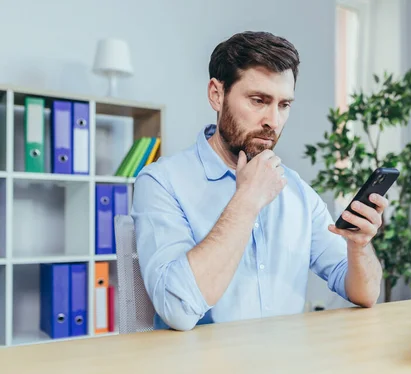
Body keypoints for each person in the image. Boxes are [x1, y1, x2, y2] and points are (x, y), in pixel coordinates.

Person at [131, 31, 388, 331]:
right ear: (217, 94)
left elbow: (366, 294)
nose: (273, 121)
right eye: (258, 100)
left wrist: (359, 246)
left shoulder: (296, 191)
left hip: (286, 368)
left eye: (283, 105)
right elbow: (177, 310)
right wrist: (248, 200)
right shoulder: (161, 182)